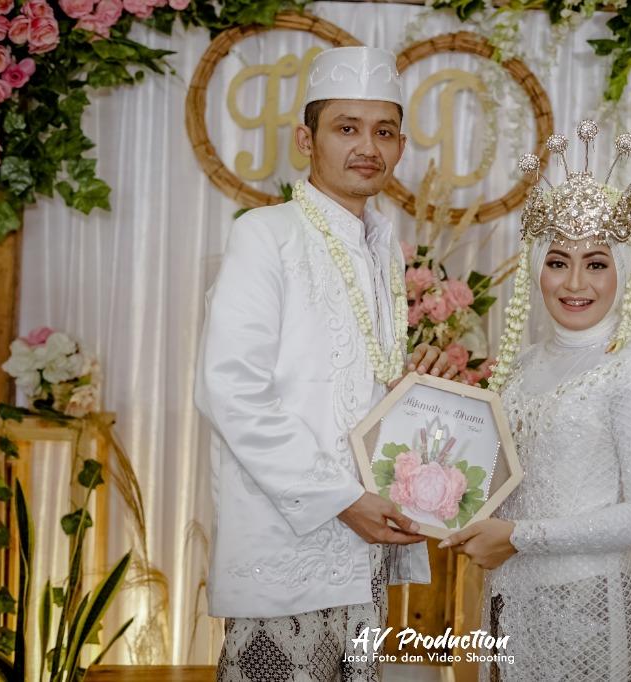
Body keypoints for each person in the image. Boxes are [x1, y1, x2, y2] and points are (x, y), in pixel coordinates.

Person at [195, 46, 456, 682]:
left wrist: (409, 392)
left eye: (384, 131)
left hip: (365, 546)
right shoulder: (266, 234)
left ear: (400, 147)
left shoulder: (383, 248)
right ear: (305, 140)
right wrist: (341, 500)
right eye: (347, 128)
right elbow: (230, 390)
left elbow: (346, 384)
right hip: (290, 544)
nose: (368, 147)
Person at [439, 124, 631, 681]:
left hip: (592, 603)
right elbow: (503, 481)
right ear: (536, 267)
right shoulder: (522, 366)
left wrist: (519, 538)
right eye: (557, 261)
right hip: (511, 598)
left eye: (596, 263)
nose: (574, 283)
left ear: (623, 268)